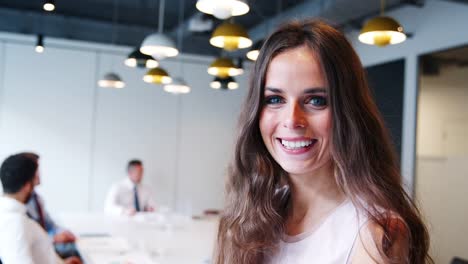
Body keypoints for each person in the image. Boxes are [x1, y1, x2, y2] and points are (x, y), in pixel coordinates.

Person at [215, 19, 432, 264]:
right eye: (275, 100)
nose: (292, 120)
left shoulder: (375, 233)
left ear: (348, 112)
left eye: (316, 100)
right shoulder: (253, 214)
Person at [0, 153, 81, 264]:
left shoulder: (14, 216)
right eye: (35, 178)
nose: (38, 182)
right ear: (27, 185)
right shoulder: (15, 223)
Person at [22, 152, 81, 260]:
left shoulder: (36, 199)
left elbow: (50, 225)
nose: (39, 174)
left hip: (47, 249)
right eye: (36, 170)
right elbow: (28, 241)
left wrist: (63, 232)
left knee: (77, 250)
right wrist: (54, 238)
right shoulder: (20, 207)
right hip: (40, 252)